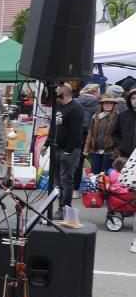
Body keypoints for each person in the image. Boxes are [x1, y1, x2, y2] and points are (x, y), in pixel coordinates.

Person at [53, 83, 84, 219]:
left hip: (70, 150)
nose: (56, 94)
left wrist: (68, 150)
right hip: (57, 148)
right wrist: (48, 142)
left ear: (64, 93)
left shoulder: (76, 108)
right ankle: (60, 206)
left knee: (66, 180)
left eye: (58, 92)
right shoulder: (59, 106)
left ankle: (65, 208)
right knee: (58, 180)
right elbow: (54, 126)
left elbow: (76, 132)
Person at [85, 93, 122, 175]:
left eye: (110, 103)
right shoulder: (96, 117)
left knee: (104, 175)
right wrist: (86, 148)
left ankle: (103, 188)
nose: (108, 105)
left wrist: (117, 150)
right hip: (95, 150)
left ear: (113, 105)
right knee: (94, 174)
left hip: (109, 152)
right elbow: (90, 133)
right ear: (102, 105)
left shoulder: (117, 117)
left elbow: (119, 135)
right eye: (105, 103)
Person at [113, 89, 136, 159]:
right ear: (129, 100)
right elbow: (115, 132)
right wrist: (121, 146)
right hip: (126, 153)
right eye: (133, 98)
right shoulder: (122, 115)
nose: (135, 100)